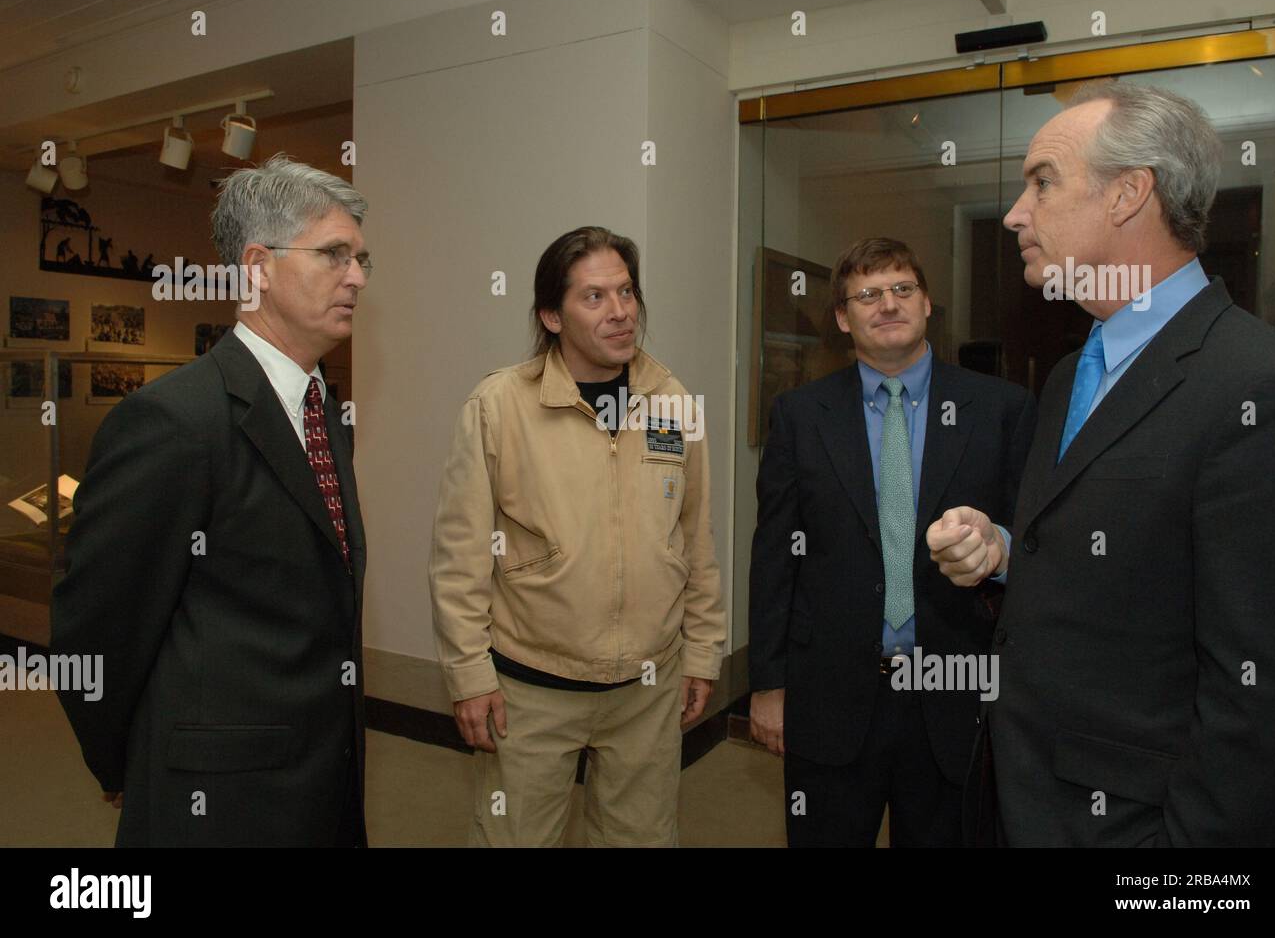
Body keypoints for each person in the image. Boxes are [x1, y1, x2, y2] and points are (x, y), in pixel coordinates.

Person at [927, 81, 1275, 846]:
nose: (1015, 214)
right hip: (1021, 791)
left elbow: (1262, 698)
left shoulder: (1260, 384)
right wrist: (1002, 549)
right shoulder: (1070, 374)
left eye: (1043, 181)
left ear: (1130, 193)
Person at [52, 154, 371, 847]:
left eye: (361, 258)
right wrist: (123, 761)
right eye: (334, 255)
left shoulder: (321, 407)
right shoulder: (174, 420)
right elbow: (99, 626)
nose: (357, 277)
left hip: (322, 776)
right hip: (221, 800)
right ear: (257, 266)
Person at [429, 225, 726, 847]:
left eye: (626, 292)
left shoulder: (672, 401)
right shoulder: (499, 406)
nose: (620, 312)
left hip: (648, 689)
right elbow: (459, 558)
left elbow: (695, 540)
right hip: (530, 687)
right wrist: (469, 675)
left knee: (642, 839)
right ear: (551, 315)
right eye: (594, 297)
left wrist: (703, 651)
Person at [749, 237, 1035, 846]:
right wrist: (769, 687)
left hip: (955, 688)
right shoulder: (801, 415)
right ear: (842, 317)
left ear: (928, 302)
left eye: (902, 288)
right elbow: (775, 556)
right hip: (831, 693)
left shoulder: (1001, 409)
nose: (888, 304)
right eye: (867, 294)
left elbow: (1031, 544)